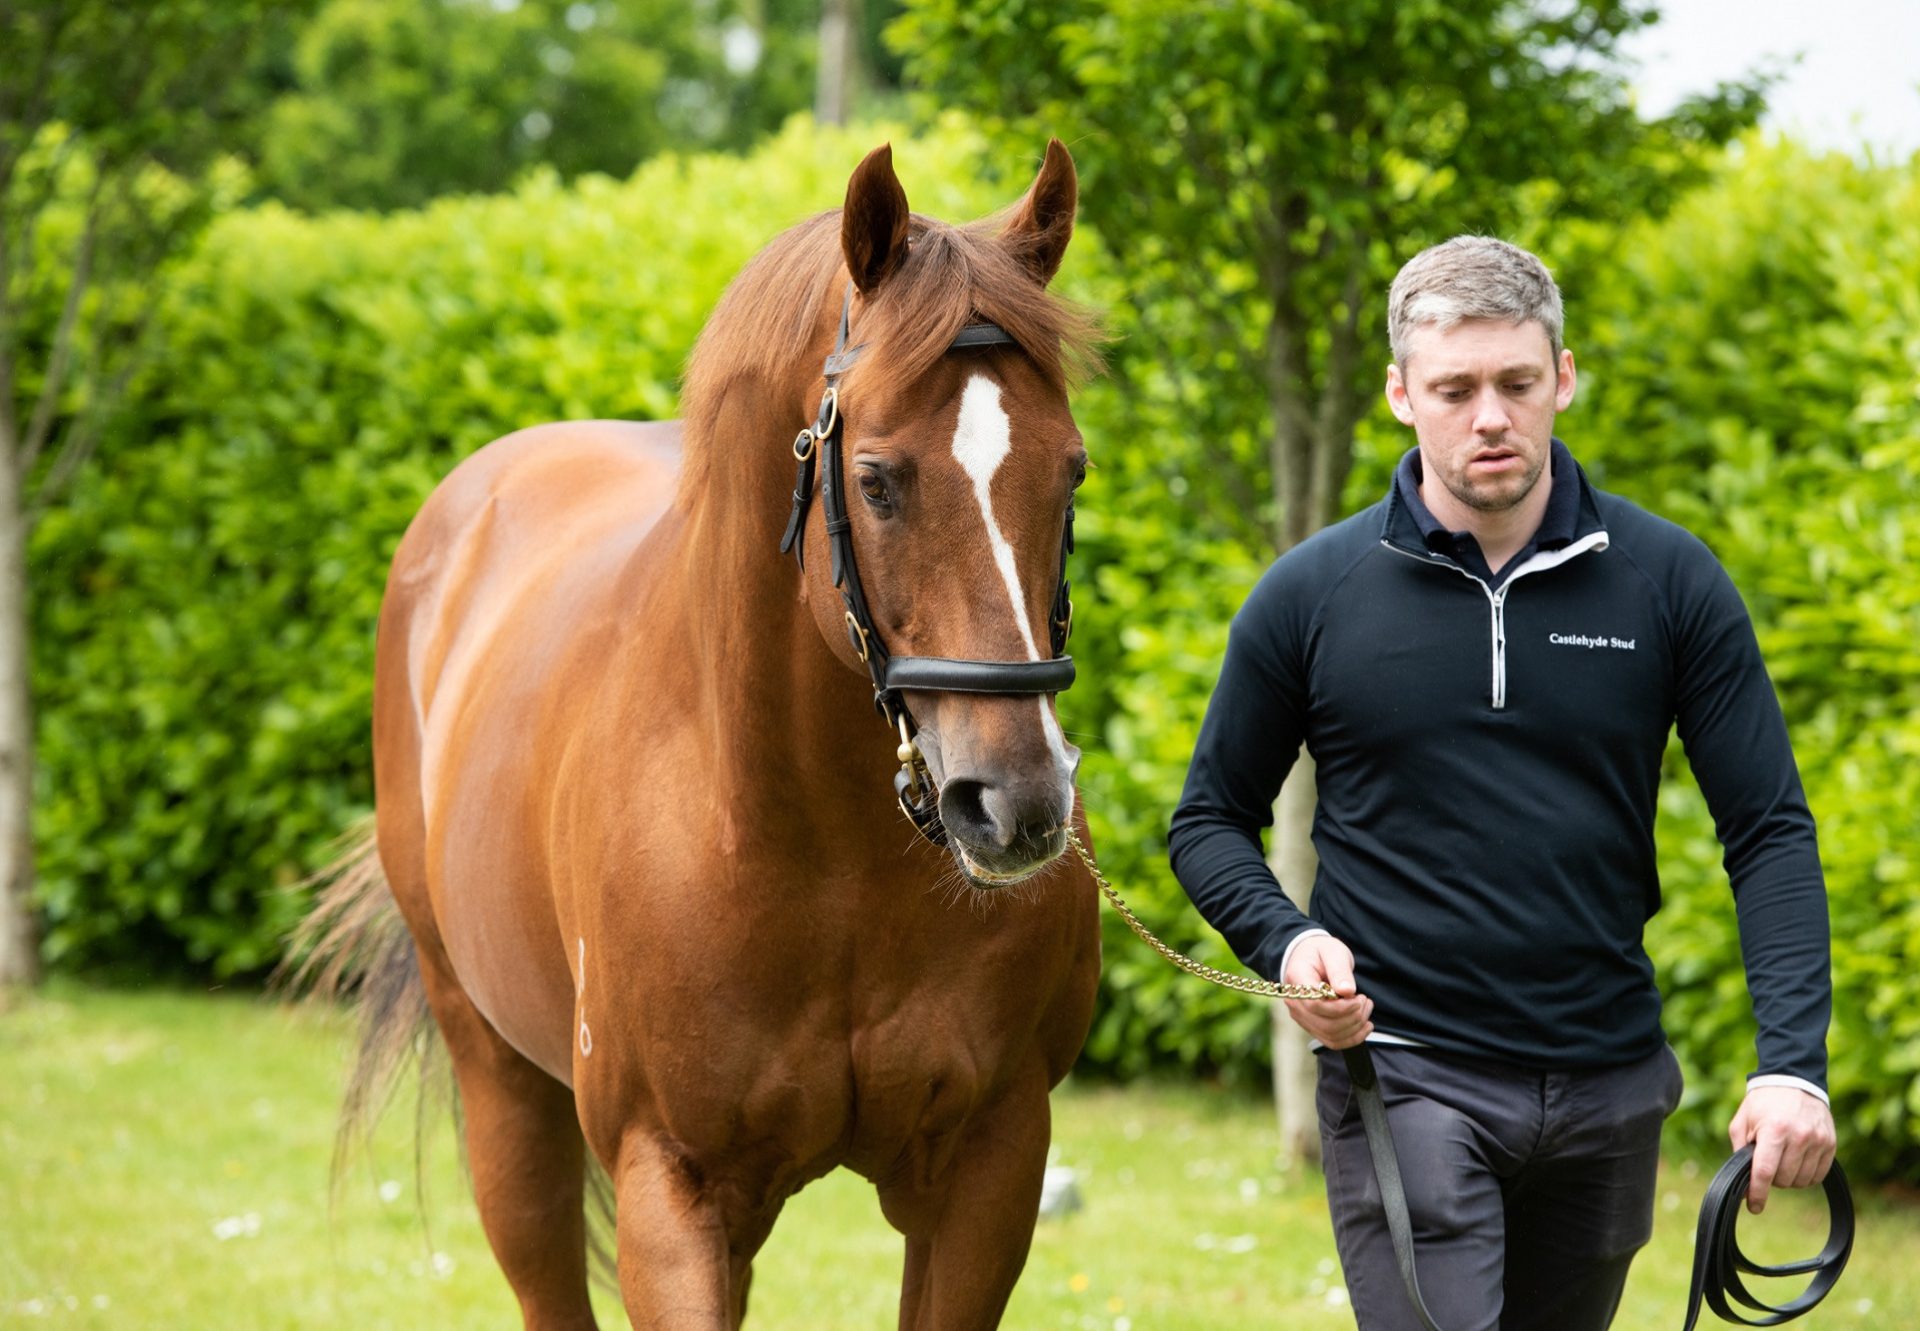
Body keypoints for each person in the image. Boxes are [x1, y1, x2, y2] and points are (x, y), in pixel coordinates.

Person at [1166, 236, 1835, 1330]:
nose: (1491, 417)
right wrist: (1286, 943)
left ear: (1562, 377)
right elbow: (1209, 818)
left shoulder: (1672, 581)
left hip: (1610, 1085)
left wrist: (1794, 1067)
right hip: (1409, 1075)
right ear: (1400, 394)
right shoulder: (1310, 594)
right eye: (1456, 388)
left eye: (1518, 384)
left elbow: (1767, 828)